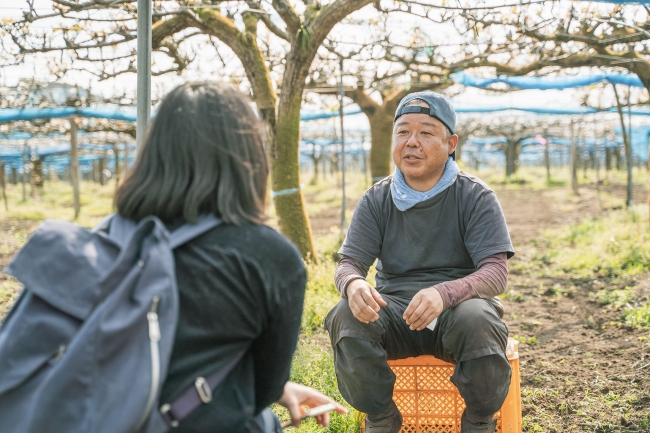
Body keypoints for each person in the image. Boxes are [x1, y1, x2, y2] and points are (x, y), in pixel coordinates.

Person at [115, 82, 345, 432]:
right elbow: (261, 389)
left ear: (153, 151)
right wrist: (276, 389)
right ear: (249, 158)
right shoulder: (269, 257)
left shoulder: (110, 239)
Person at [324, 92, 515, 433]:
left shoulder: (474, 196)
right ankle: (382, 416)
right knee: (344, 314)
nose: (412, 142)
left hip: (456, 315)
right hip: (397, 314)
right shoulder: (376, 199)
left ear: (450, 142)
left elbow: (496, 273)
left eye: (426, 132)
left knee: (478, 317)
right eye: (403, 132)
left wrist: (444, 293)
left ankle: (478, 419)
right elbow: (348, 263)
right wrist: (352, 284)